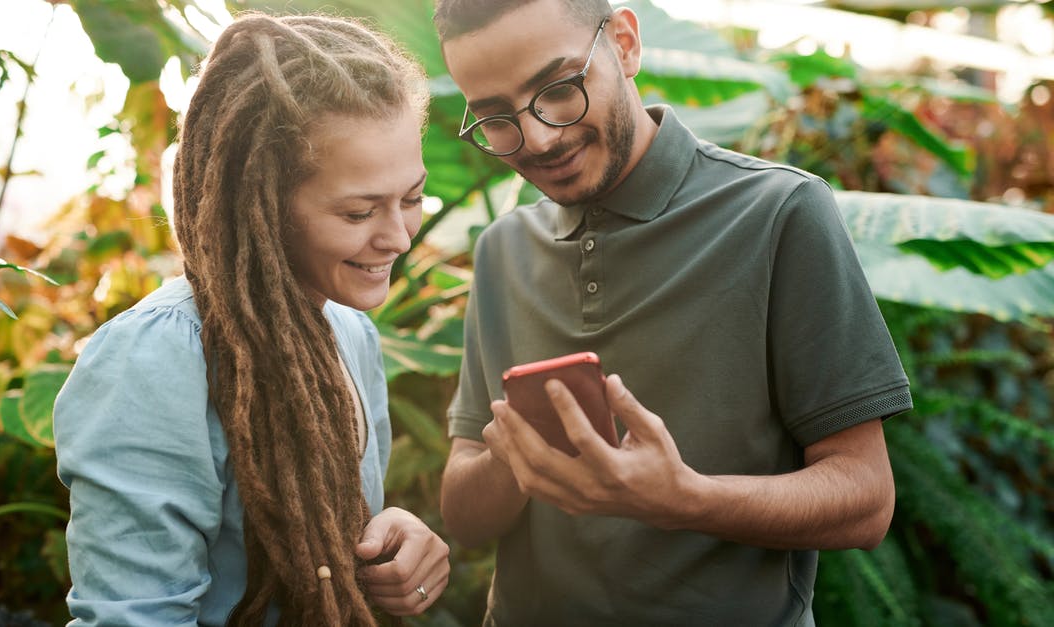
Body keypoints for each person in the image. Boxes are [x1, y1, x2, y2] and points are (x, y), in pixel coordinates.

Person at [434, 0, 913, 624]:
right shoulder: (502, 250)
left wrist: (684, 498)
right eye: (497, 117)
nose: (540, 137)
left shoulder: (779, 212)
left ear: (626, 44)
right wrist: (515, 456)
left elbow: (866, 501)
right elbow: (465, 518)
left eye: (557, 88)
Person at [53, 11, 450, 626]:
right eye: (357, 212)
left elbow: (316, 541)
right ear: (259, 202)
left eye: (413, 198)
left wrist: (390, 545)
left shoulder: (350, 333)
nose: (398, 236)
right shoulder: (156, 360)